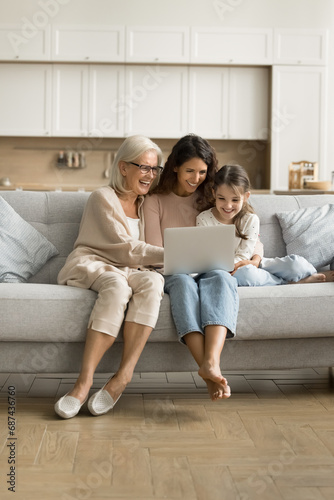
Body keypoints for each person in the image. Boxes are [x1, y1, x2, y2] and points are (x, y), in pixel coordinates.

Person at [143, 134, 263, 401]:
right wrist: (185, 256)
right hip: (174, 270)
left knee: (221, 277)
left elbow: (246, 233)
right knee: (184, 283)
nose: (196, 178)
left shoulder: (210, 196)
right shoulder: (155, 200)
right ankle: (207, 369)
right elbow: (152, 250)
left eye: (202, 172)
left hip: (211, 268)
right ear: (175, 166)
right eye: (189, 171)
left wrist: (254, 259)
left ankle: (212, 363)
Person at [54, 135, 165, 419]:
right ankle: (83, 383)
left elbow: (139, 256)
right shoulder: (102, 197)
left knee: (154, 282)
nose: (150, 175)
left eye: (154, 169)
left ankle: (123, 377)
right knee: (116, 287)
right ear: (124, 167)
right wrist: (173, 253)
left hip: (131, 269)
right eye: (144, 167)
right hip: (96, 261)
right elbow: (127, 248)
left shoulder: (147, 204)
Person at [197, 164, 334, 285]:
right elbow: (206, 255)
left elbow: (245, 254)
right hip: (231, 270)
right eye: (222, 198)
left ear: (246, 197)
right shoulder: (204, 219)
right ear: (214, 193)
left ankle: (302, 274)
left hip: (255, 262)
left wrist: (254, 261)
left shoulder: (250, 219)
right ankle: (291, 282)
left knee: (297, 265)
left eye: (235, 200)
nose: (228, 205)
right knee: (247, 275)